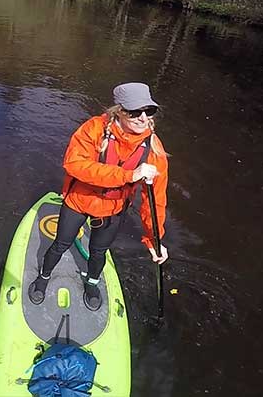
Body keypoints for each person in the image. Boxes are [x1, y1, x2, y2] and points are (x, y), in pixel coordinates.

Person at [28, 82, 170, 310]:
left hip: (112, 210)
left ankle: (92, 283)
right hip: (78, 201)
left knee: (98, 252)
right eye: (135, 112)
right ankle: (43, 277)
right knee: (60, 244)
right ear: (119, 110)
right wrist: (128, 175)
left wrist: (154, 239)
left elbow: (156, 200)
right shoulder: (94, 129)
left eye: (148, 111)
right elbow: (74, 164)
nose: (143, 118)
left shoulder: (153, 150)